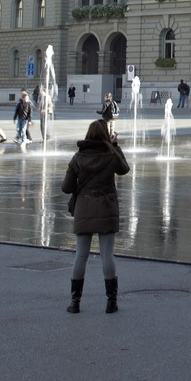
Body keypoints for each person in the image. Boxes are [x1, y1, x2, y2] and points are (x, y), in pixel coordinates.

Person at [61, 118, 130, 313]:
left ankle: (75, 303)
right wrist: (115, 145)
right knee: (106, 255)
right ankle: (111, 302)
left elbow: (66, 187)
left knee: (80, 255)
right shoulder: (110, 155)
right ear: (105, 135)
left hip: (84, 208)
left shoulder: (77, 158)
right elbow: (124, 169)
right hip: (106, 207)